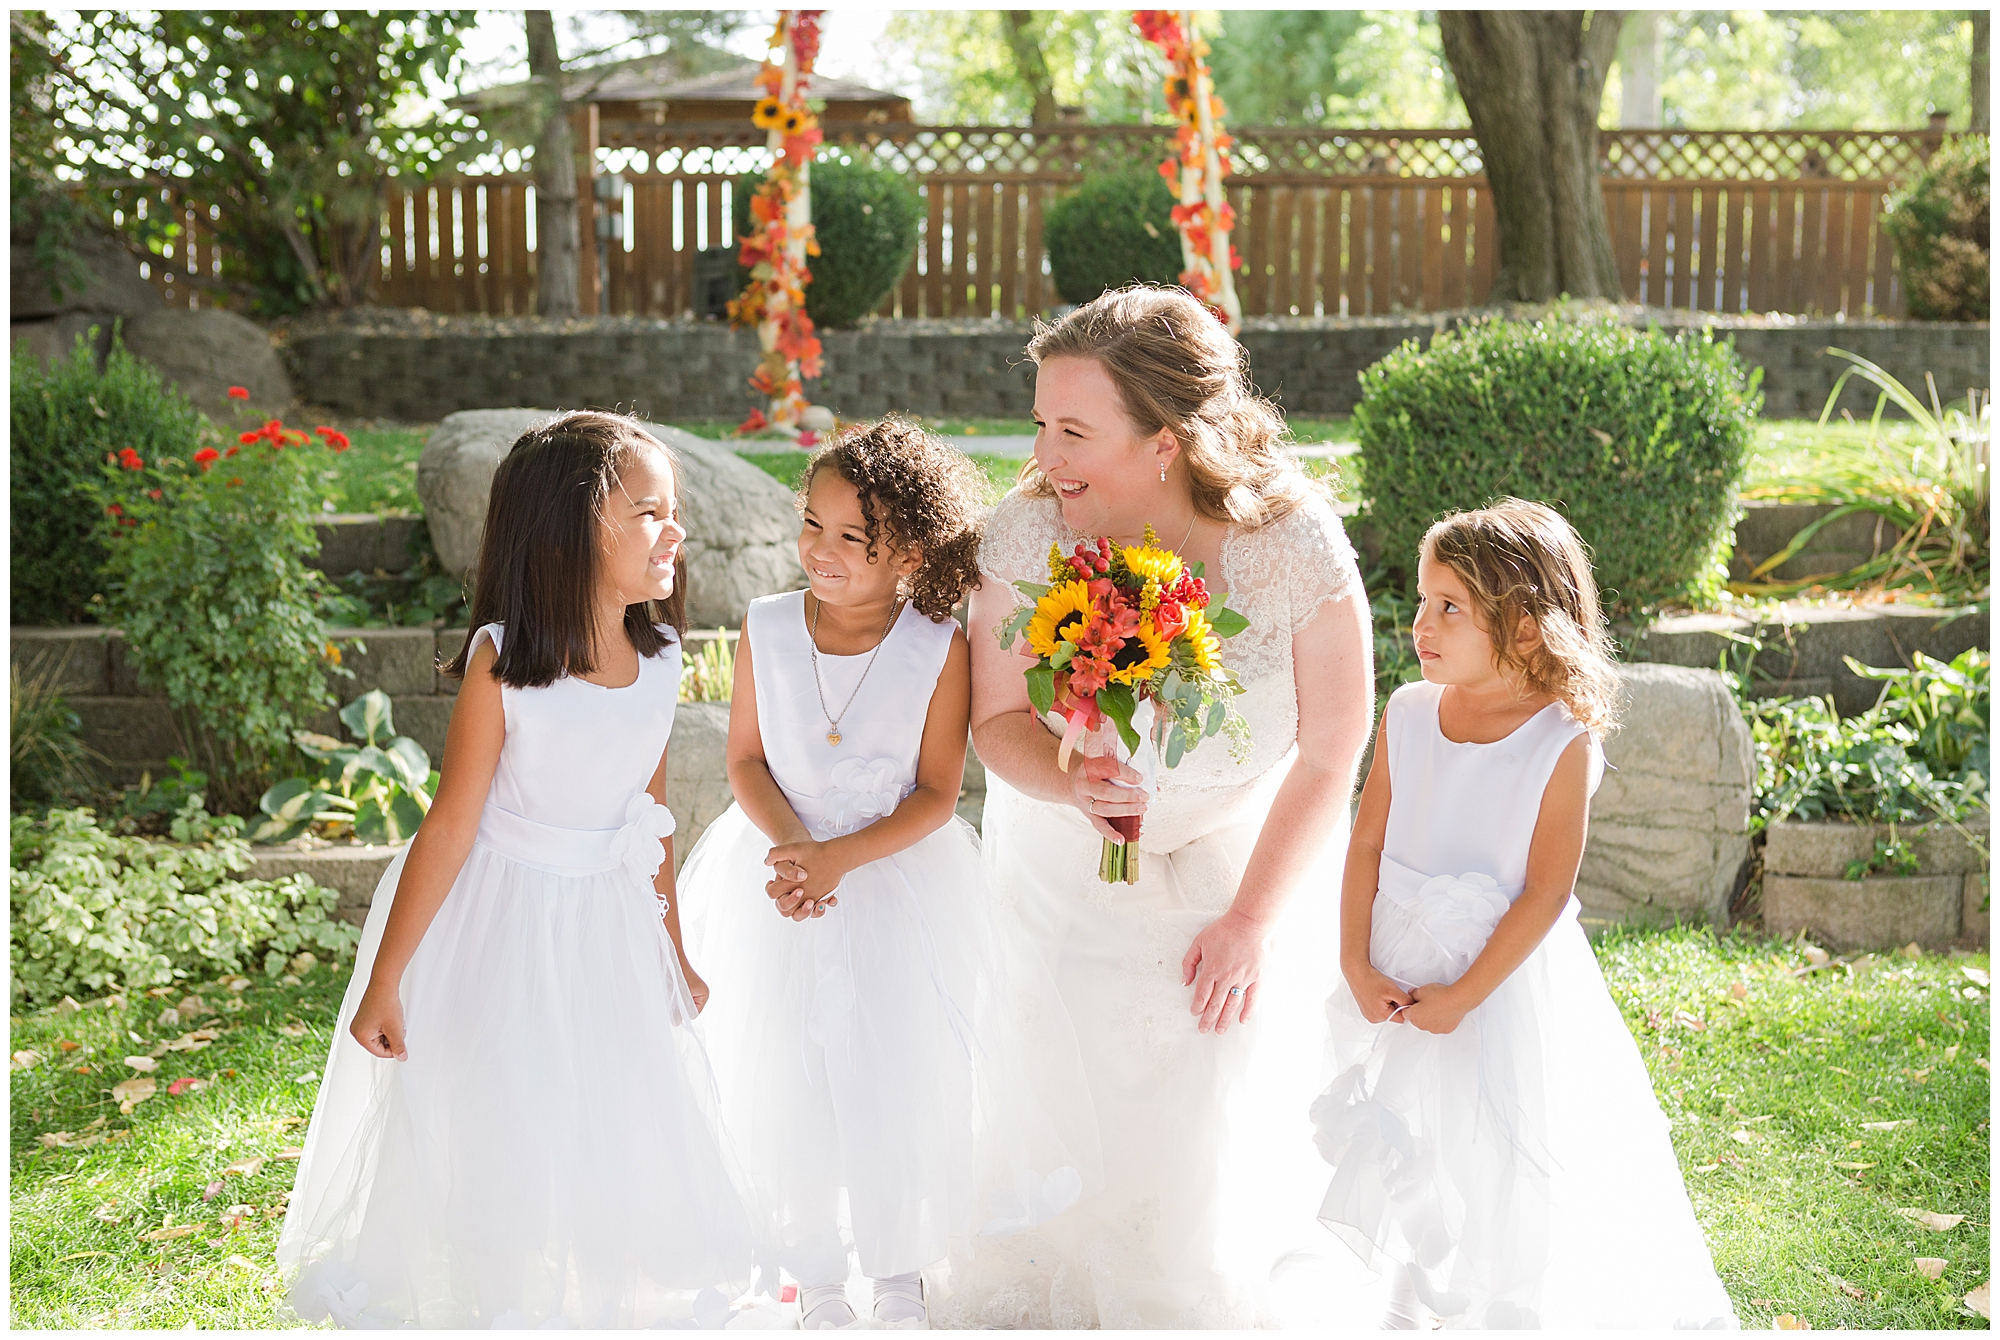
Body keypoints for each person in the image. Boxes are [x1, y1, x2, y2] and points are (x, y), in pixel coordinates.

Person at [948, 285, 1377, 1328]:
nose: (1045, 453)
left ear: (1165, 443)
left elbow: (1331, 748)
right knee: (1069, 1048)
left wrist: (1248, 923)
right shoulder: (1026, 536)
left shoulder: (1289, 544)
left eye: (1074, 430)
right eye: (1042, 422)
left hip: (1243, 843)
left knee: (1208, 1038)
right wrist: (1068, 780)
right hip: (1064, 845)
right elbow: (994, 717)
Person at [277, 411, 759, 1329]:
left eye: (674, 511)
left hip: (605, 926)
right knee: (499, 1115)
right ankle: (494, 1298)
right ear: (570, 529)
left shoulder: (661, 659)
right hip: (496, 922)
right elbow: (452, 825)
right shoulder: (506, 662)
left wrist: (674, 952)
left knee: (604, 1111)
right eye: (649, 514)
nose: (676, 532)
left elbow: (646, 825)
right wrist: (385, 980)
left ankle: (587, 1297)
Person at [677, 420, 1100, 1330]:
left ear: (906, 548)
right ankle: (818, 1274)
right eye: (812, 526)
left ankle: (899, 1268)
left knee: (899, 1074)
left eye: (851, 538)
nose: (821, 553)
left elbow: (938, 793)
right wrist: (797, 851)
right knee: (793, 1076)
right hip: (779, 888)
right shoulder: (766, 627)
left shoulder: (936, 646)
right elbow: (746, 761)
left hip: (898, 887)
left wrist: (840, 857)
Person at [1313, 499, 1740, 1330]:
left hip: (1498, 990)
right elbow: (1365, 844)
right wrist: (1356, 965)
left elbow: (1545, 892)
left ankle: (1500, 1309)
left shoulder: (1562, 741)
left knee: (1496, 1159)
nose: (1420, 623)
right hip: (1395, 972)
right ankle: (1406, 1305)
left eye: (1449, 608)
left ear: (1526, 629)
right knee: (1403, 1141)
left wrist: (1467, 995)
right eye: (1421, 600)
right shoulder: (1405, 713)